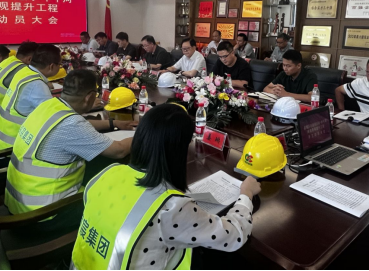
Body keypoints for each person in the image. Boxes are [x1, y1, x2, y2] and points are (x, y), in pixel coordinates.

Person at [71, 104, 261, 270]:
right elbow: (234, 236)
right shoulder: (172, 207)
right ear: (179, 149)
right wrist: (246, 194)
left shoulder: (107, 173)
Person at [5, 70, 134, 219]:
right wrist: (144, 134)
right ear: (89, 97)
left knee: (96, 162)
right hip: (46, 213)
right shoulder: (72, 124)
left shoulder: (49, 106)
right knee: (114, 178)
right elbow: (119, 151)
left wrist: (113, 123)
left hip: (20, 203)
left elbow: (80, 125)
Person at [0, 44, 62, 151]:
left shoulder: (24, 72)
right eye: (59, 64)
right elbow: (53, 119)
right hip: (10, 150)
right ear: (51, 66)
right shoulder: (37, 85)